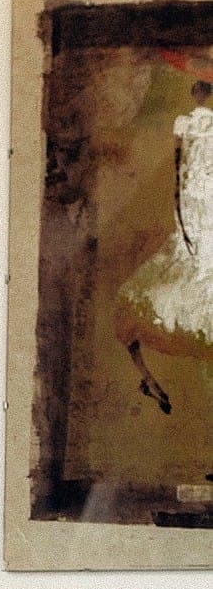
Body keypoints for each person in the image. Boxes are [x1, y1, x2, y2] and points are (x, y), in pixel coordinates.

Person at [115, 78, 213, 418]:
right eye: (199, 94)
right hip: (193, 191)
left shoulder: (206, 125)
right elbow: (177, 161)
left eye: (203, 94)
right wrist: (179, 197)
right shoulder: (183, 122)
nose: (200, 98)